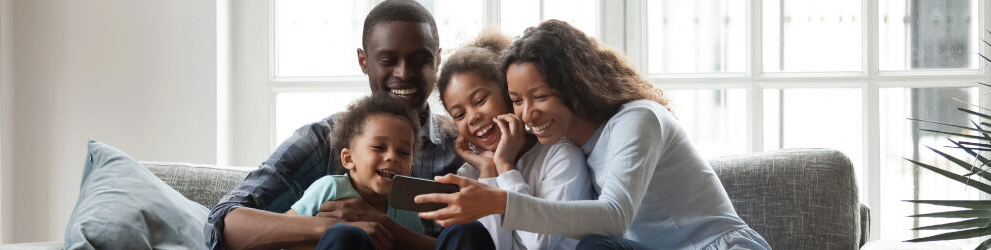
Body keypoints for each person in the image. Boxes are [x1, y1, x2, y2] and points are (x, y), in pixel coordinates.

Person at [415, 20, 773, 250]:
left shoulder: (638, 120)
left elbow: (614, 216)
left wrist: (499, 200)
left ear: (575, 85)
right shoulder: (567, 146)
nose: (528, 113)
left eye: (540, 96)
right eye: (517, 101)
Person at [204, 1, 479, 249]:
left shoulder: (463, 147)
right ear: (364, 61)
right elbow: (223, 222)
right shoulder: (323, 139)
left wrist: (384, 226)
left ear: (438, 60)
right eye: (387, 60)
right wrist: (327, 227)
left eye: (420, 61)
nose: (404, 73)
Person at [437, 29, 594, 250]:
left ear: (507, 94)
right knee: (462, 232)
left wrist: (505, 168)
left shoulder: (560, 155)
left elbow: (540, 245)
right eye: (459, 115)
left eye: (480, 100)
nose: (473, 117)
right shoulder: (472, 173)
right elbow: (490, 244)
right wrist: (489, 171)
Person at [279, 94, 427, 249]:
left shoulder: (405, 207)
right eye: (379, 147)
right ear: (349, 159)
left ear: (410, 168)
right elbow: (284, 232)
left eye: (403, 152)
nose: (392, 157)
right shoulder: (330, 188)